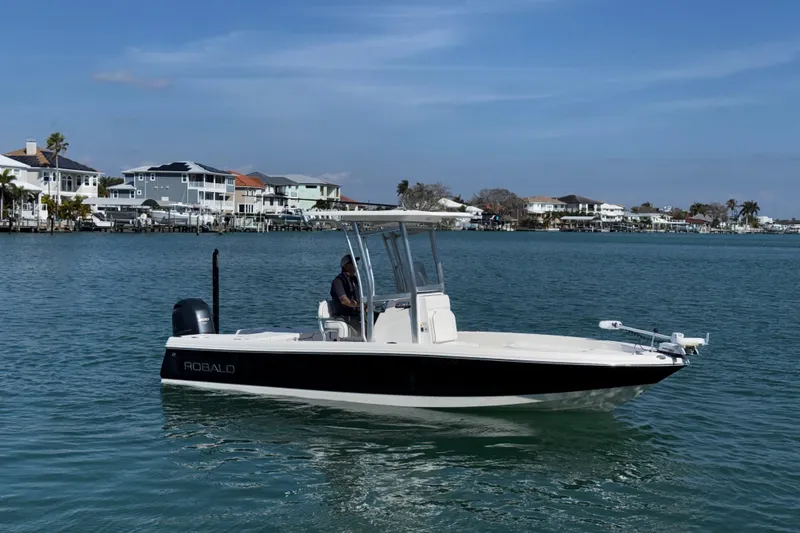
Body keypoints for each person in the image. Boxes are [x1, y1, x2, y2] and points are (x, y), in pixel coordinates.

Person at [330, 254, 364, 332]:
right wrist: (358, 304)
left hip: (357, 315)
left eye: (356, 263)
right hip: (346, 318)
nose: (356, 265)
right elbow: (344, 300)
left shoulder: (354, 280)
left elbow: (358, 298)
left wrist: (365, 307)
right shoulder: (338, 281)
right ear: (345, 266)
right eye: (353, 263)